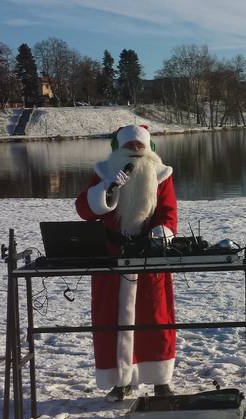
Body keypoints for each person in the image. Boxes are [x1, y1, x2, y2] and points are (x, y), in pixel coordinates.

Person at [75, 124, 177, 401]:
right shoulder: (103, 173)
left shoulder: (162, 175)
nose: (134, 152)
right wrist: (107, 189)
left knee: (155, 318)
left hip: (149, 258)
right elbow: (84, 210)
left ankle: (159, 380)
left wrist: (162, 232)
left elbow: (168, 214)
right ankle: (120, 381)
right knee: (111, 320)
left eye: (139, 147)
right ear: (118, 149)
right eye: (129, 147)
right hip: (111, 259)